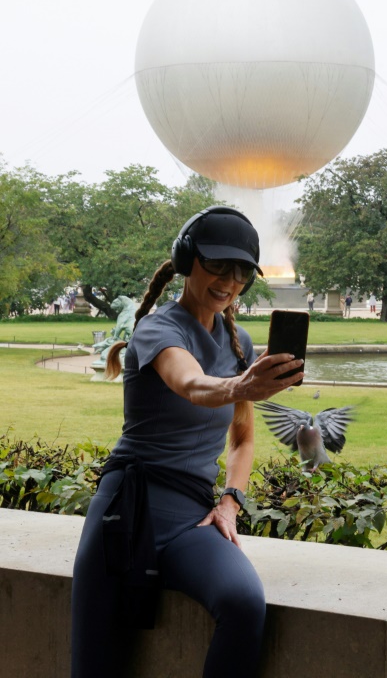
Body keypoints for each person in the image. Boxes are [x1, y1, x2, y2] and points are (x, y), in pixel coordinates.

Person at [71, 206, 305, 678]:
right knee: (94, 668)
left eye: (241, 271)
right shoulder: (159, 329)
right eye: (217, 265)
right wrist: (241, 386)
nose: (229, 280)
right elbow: (192, 385)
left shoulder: (240, 346)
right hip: (126, 511)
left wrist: (230, 503)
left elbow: (241, 440)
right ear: (186, 260)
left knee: (242, 602)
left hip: (190, 521)